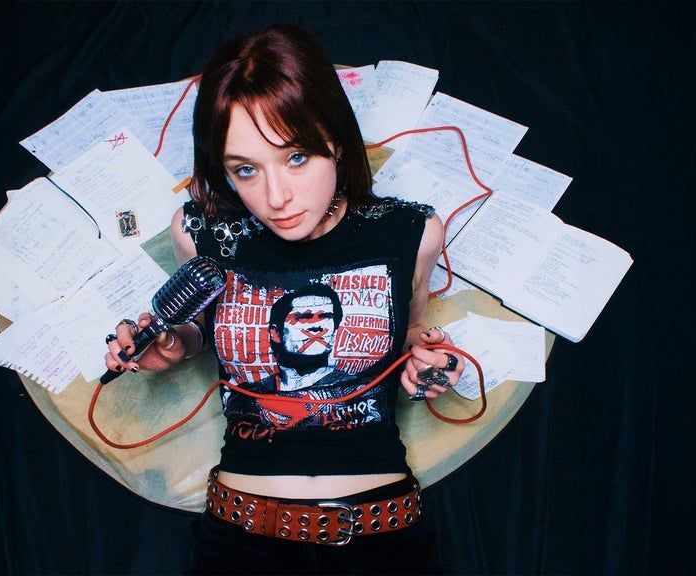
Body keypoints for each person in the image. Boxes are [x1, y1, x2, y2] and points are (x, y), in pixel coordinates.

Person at [104, 23, 465, 574]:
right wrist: (176, 343)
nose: (276, 197)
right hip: (241, 537)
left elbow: (407, 330)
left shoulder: (410, 232)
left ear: (335, 141)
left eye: (296, 157)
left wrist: (428, 358)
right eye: (245, 170)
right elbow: (205, 329)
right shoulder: (201, 233)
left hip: (381, 534)